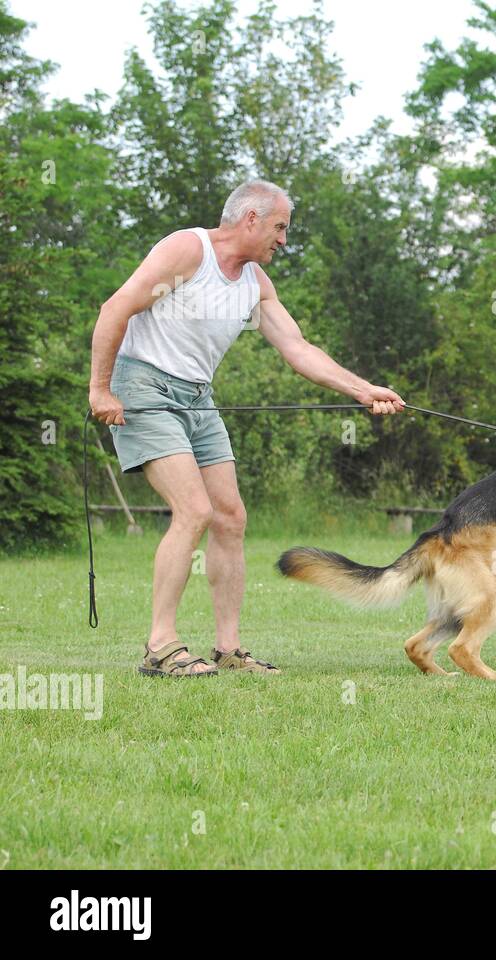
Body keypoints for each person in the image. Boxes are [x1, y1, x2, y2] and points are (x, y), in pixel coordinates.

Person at [88, 179, 405, 677]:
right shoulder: (187, 250)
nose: (284, 239)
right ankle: (160, 646)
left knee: (230, 516)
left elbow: (297, 349)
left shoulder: (255, 282)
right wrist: (101, 391)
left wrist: (364, 390)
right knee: (193, 510)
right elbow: (116, 309)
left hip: (197, 397)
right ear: (250, 219)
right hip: (144, 385)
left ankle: (229, 649)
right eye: (280, 227)